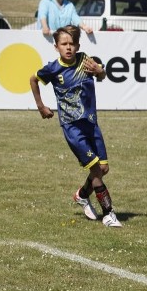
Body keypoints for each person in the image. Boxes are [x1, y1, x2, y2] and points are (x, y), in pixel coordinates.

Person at [29, 25, 121, 227]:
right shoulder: (53, 69)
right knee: (96, 169)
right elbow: (33, 79)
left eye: (72, 44)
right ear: (56, 47)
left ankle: (81, 195)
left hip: (91, 124)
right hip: (73, 128)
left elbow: (101, 75)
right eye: (64, 44)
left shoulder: (85, 60)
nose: (68, 47)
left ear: (78, 45)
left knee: (103, 168)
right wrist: (41, 106)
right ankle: (108, 213)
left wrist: (100, 71)